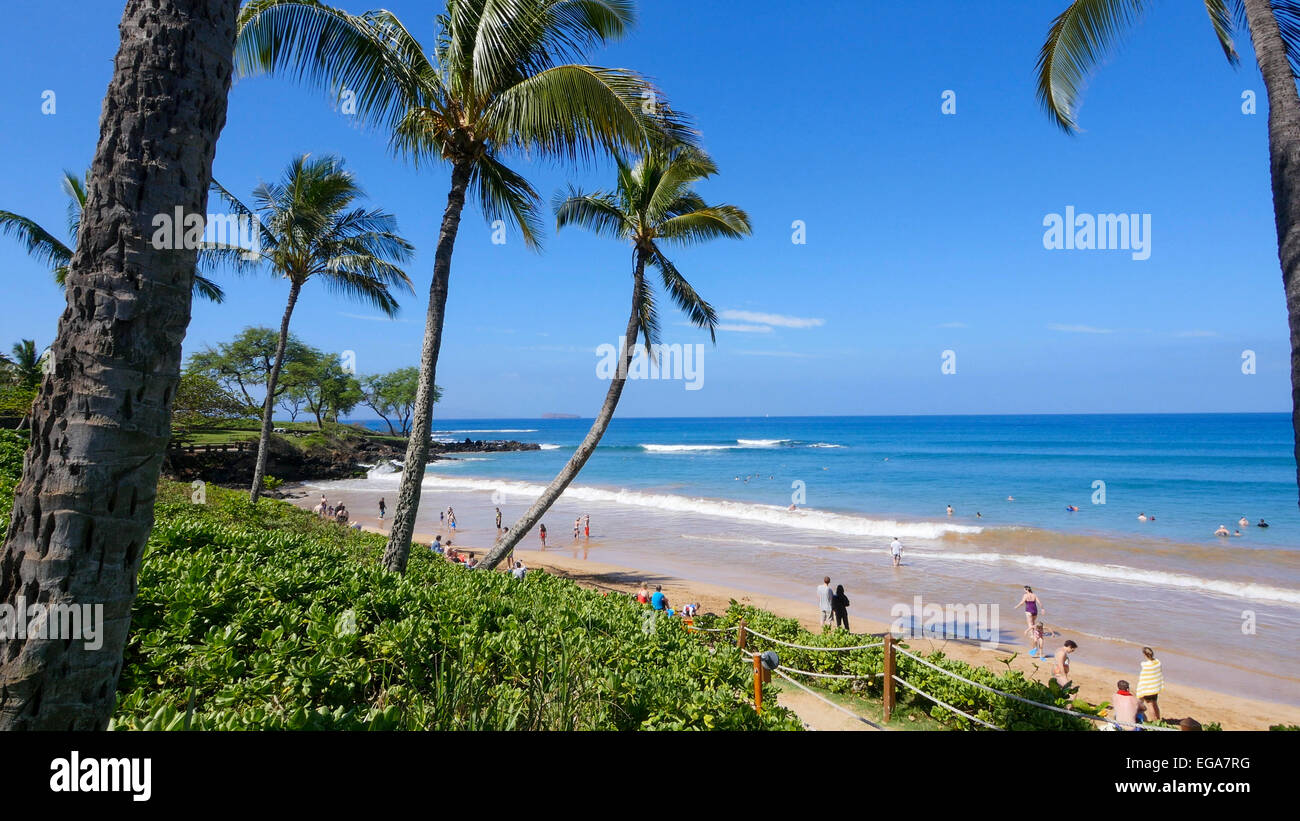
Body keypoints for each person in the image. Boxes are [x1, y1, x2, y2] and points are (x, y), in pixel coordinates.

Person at [1136, 646, 1164, 721]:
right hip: (1155, 688)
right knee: (1155, 703)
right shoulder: (1158, 662)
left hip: (1148, 689)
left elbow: (1144, 678)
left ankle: (1153, 721)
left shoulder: (1145, 665)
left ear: (1145, 655)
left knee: (1150, 705)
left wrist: (1141, 689)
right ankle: (1158, 719)